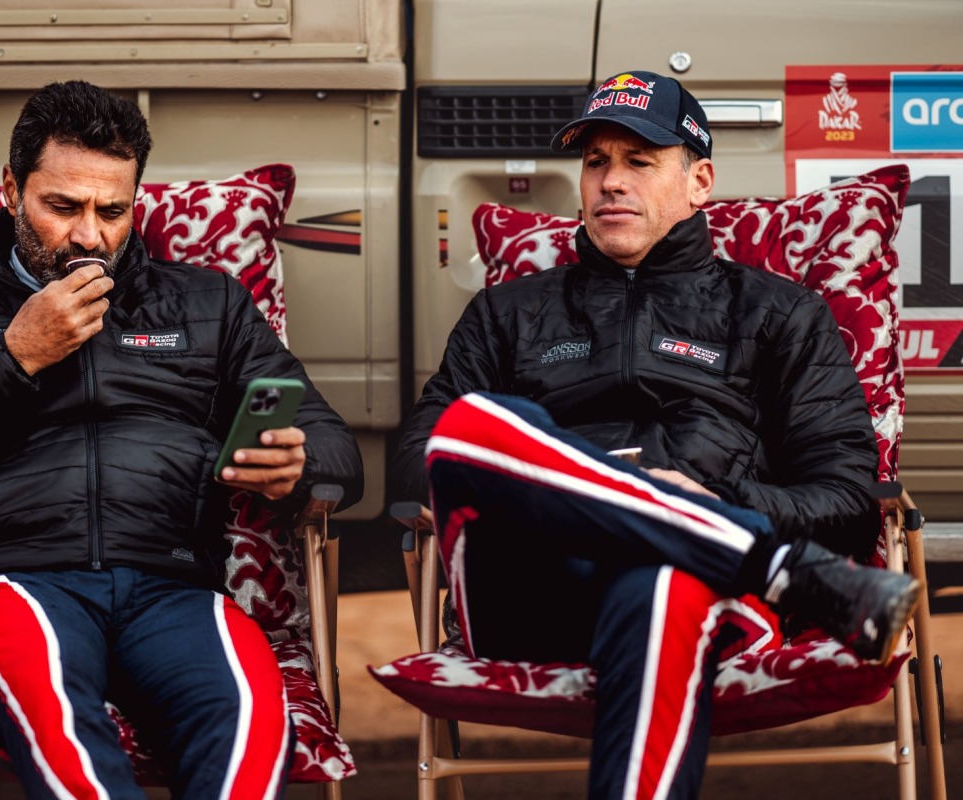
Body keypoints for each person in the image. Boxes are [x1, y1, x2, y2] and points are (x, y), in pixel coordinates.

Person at [0, 80, 363, 800]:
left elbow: (337, 452)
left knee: (246, 724)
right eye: (63, 207)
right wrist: (10, 358)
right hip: (10, 585)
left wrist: (294, 465)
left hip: (174, 586)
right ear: (11, 187)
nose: (90, 236)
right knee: (56, 715)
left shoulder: (208, 305)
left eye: (113, 211)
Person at [393, 69, 919, 800]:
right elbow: (421, 461)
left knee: (666, 584)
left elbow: (847, 497)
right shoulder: (507, 312)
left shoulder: (777, 314)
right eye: (595, 162)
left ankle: (710, 540)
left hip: (696, 590)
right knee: (470, 424)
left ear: (700, 181)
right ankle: (773, 563)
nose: (610, 182)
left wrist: (707, 494)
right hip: (529, 584)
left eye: (639, 161)